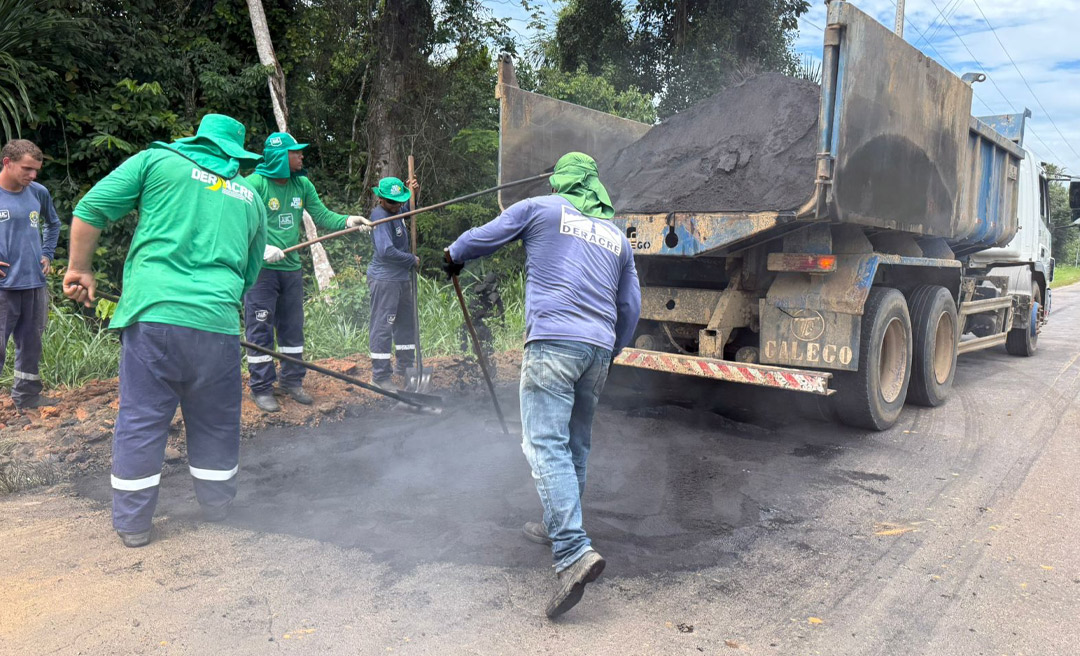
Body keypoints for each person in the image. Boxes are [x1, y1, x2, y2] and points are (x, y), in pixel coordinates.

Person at [443, 152, 640, 618]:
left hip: (553, 342)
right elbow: (631, 306)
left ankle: (572, 552)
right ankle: (559, 527)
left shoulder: (541, 208)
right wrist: (611, 351)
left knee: (544, 445)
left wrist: (453, 255)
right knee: (575, 447)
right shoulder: (616, 237)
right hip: (596, 350)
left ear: (561, 183)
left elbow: (481, 239)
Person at [63, 114, 267, 548]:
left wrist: (80, 268)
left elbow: (90, 209)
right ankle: (216, 506)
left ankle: (134, 525)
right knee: (216, 419)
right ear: (235, 153)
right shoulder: (248, 194)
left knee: (141, 419)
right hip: (216, 324)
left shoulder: (156, 161)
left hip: (154, 317)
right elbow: (250, 273)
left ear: (197, 139)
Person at [243, 132, 369, 412]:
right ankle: (262, 387)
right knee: (260, 328)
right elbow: (238, 224)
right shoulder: (254, 184)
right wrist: (261, 248)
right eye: (296, 152)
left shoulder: (302, 184)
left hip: (290, 269)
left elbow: (323, 216)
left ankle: (291, 380)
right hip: (260, 271)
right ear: (279, 157)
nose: (301, 156)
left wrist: (349, 220)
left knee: (292, 328)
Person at [0, 140, 61, 410]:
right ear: (7, 163)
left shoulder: (38, 192)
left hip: (34, 283)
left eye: (36, 170)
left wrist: (47, 253)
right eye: (27, 169)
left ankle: (27, 398)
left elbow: (53, 222)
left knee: (31, 343)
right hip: (3, 287)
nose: (33, 175)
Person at [366, 176, 420, 390]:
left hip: (401, 278)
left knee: (406, 323)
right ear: (381, 199)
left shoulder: (397, 210)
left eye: (399, 202)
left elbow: (408, 209)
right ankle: (380, 376)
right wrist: (411, 259)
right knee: (383, 325)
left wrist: (415, 192)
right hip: (385, 279)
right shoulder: (379, 216)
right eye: (392, 202)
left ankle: (406, 367)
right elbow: (385, 250)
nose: (397, 206)